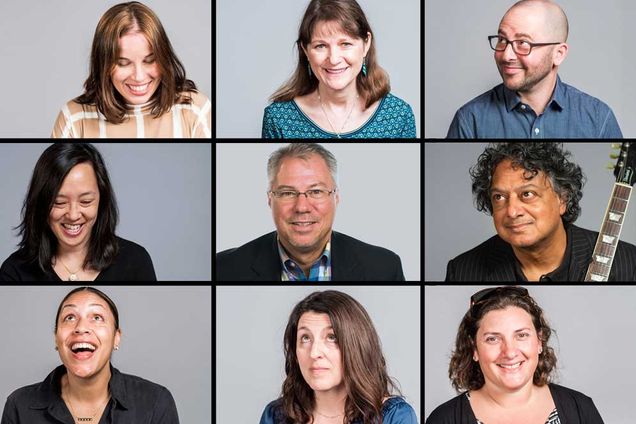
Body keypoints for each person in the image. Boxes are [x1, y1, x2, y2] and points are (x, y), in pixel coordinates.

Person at [446, 142, 636, 281]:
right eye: (499, 197)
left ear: (562, 199)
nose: (512, 212)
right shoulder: (463, 271)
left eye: (527, 194)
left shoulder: (628, 262)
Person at [215, 143, 405, 281]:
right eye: (288, 193)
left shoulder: (383, 268)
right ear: (269, 199)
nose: (302, 207)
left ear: (336, 197)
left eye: (316, 192)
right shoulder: (224, 268)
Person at [0, 286, 179, 424]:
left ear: (116, 338)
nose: (81, 327)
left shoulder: (155, 402)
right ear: (56, 338)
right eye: (70, 317)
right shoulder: (19, 406)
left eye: (97, 317)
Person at [426, 286, 604, 424]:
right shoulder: (443, 419)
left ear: (539, 342)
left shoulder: (580, 408)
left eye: (521, 335)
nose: (510, 352)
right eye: (493, 339)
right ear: (474, 349)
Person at [446, 0, 622, 138]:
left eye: (523, 43)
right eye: (502, 40)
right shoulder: (470, 120)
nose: (506, 55)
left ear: (558, 54)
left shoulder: (599, 119)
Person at [51, 1, 211, 138]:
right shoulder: (74, 117)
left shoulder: (195, 109)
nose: (139, 76)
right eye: (123, 63)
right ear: (104, 65)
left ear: (164, 58)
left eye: (150, 61)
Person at [0, 143, 156, 281]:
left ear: (101, 200)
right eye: (59, 203)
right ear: (41, 203)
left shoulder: (136, 261)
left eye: (86, 201)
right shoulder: (14, 271)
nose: (73, 215)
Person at [262, 0, 416, 139]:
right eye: (320, 46)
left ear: (366, 44)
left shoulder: (398, 115)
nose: (334, 59)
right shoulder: (278, 118)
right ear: (305, 50)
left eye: (345, 44)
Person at [260, 290, 417, 424]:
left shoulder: (394, 416)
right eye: (306, 338)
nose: (314, 353)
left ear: (356, 346)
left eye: (331, 337)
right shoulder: (275, 416)